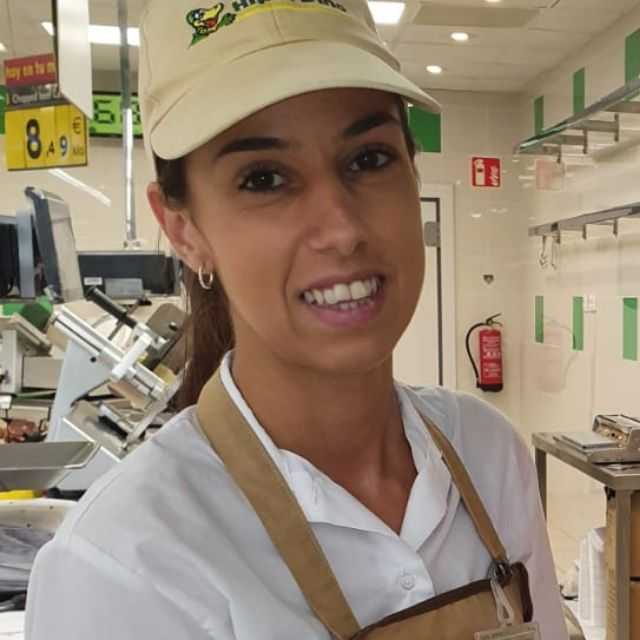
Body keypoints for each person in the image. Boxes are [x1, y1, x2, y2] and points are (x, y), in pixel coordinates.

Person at [25, 1, 568, 638]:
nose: (341, 229)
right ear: (183, 228)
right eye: (264, 179)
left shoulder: (488, 454)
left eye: (369, 159)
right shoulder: (123, 564)